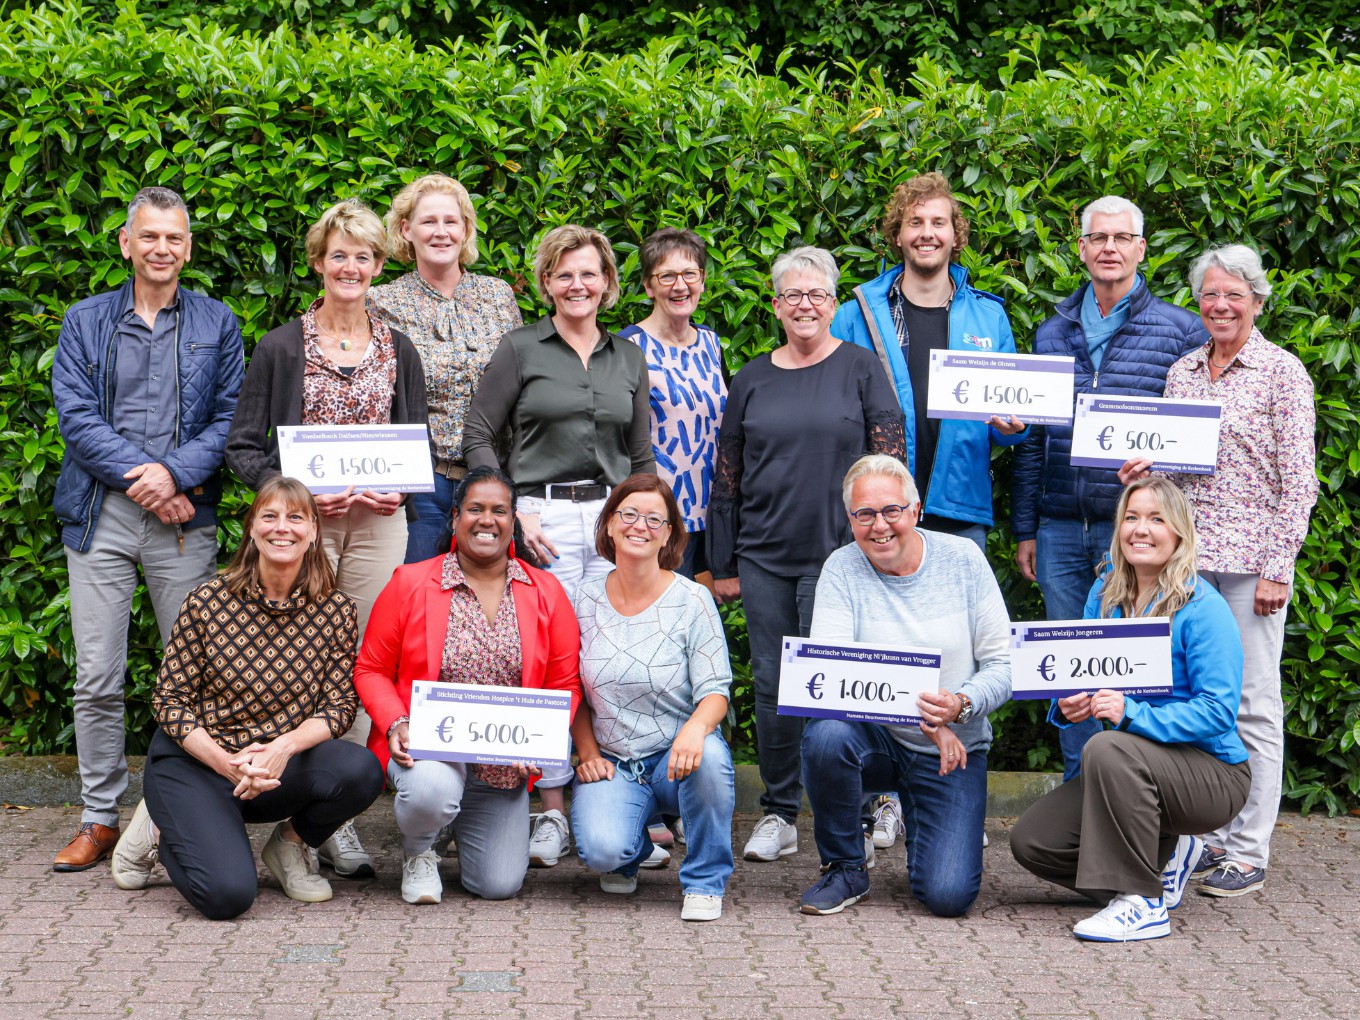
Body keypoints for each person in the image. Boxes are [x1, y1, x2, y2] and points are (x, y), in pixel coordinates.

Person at [225, 198, 429, 878]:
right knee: (295, 662)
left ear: (378, 266)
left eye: (364, 256)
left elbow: (415, 443)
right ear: (318, 262)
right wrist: (293, 498)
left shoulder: (399, 346)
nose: (351, 266)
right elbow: (244, 447)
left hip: (377, 528)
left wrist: (399, 486)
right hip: (298, 535)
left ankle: (328, 824)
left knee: (364, 666)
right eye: (338, 254)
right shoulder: (283, 346)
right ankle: (290, 802)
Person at [51, 186, 244, 872]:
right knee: (98, 677)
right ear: (127, 244)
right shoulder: (85, 320)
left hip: (183, 522)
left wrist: (175, 476)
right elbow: (74, 417)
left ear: (188, 249)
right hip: (102, 516)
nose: (163, 248)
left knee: (195, 678)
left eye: (175, 238)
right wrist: (150, 478)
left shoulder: (217, 322)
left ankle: (180, 818)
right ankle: (101, 817)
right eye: (150, 236)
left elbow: (229, 421)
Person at [1119, 244, 1316, 897]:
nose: (1221, 305)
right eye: (1210, 295)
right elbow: (1175, 471)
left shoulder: (1283, 373)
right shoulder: (1182, 372)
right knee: (1192, 700)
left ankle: (1248, 850)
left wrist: (1277, 566)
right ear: (1198, 303)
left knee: (1253, 705)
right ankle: (1203, 839)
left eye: (1234, 295)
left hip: (1250, 570)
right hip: (1187, 569)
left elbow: (1300, 483)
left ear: (1257, 302)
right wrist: (1142, 471)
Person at [462, 223, 655, 865]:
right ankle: (549, 806)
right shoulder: (519, 348)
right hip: (539, 517)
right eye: (565, 274)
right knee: (542, 656)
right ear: (547, 283)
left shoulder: (627, 356)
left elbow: (640, 453)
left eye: (589, 274)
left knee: (608, 652)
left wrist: (640, 522)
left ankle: (621, 795)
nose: (578, 285)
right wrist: (512, 510)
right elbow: (479, 432)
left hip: (609, 517)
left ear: (607, 284)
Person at [108, 477, 385, 919]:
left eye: (295, 517)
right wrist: (225, 762)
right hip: (200, 763)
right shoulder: (207, 601)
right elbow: (168, 701)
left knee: (361, 770)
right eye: (270, 516)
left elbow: (339, 708)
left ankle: (290, 847)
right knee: (227, 897)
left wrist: (282, 748)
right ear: (252, 528)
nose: (283, 528)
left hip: (276, 769)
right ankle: (162, 827)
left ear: (313, 530)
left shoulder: (336, 610)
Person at [708, 246, 906, 863]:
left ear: (832, 303)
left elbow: (889, 467)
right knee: (772, 686)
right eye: (792, 295)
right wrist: (724, 563)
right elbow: (728, 473)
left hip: (844, 559)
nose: (804, 305)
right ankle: (779, 811)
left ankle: (852, 813)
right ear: (774, 305)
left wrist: (887, 544)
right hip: (765, 554)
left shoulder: (862, 368)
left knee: (847, 686)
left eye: (816, 295)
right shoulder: (750, 377)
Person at [1011, 196, 1206, 781]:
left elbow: (1199, 438)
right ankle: (1079, 806)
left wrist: (1159, 466)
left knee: (1139, 674)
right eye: (1098, 238)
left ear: (1141, 249)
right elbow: (1031, 442)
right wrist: (1026, 528)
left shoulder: (1179, 331)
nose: (1110, 248)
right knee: (1072, 675)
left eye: (1122, 238)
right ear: (1082, 248)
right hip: (1062, 529)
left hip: (1139, 532)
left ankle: (1136, 797)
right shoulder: (1052, 332)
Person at [1010, 477, 1251, 941]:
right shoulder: (1105, 591)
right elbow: (1081, 676)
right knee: (1034, 842)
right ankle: (1163, 862)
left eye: (1157, 519)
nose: (1141, 529)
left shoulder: (1204, 608)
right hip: (1129, 765)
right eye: (1131, 518)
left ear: (1179, 533)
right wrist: (1069, 704)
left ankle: (1142, 903)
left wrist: (1131, 713)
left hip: (1212, 772)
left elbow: (1218, 713)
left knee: (1107, 746)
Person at [352, 466, 582, 904]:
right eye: (475, 509)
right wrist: (396, 721)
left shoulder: (547, 591)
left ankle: (451, 823)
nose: (486, 519)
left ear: (513, 521)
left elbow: (565, 683)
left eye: (499, 510)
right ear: (455, 517)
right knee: (432, 792)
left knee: (498, 885)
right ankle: (420, 849)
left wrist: (539, 743)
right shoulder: (411, 583)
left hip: (502, 764)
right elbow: (371, 669)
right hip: (427, 750)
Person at [796, 455, 1011, 917]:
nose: (880, 526)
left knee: (948, 896)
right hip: (876, 739)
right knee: (826, 733)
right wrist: (925, 720)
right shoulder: (841, 568)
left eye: (891, 511)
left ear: (915, 511)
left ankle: (920, 817)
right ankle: (846, 866)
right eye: (864, 514)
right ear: (850, 519)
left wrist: (961, 704)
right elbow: (833, 677)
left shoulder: (964, 560)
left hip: (954, 749)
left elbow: (1004, 663)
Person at [830, 171, 1026, 554]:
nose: (927, 233)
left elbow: (1009, 424)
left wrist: (1014, 428)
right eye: (914, 222)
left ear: (956, 236)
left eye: (938, 223)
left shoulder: (989, 317)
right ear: (898, 235)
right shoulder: (856, 316)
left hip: (959, 506)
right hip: (877, 510)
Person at [570, 475, 735, 921]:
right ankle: (634, 850)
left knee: (712, 762)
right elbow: (571, 690)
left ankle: (703, 881)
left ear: (667, 534)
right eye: (628, 514)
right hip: (613, 759)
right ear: (608, 525)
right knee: (604, 854)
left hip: (675, 756)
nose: (639, 525)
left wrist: (696, 731)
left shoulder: (692, 599)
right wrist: (586, 752)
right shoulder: (581, 599)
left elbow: (716, 691)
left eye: (653, 519)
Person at [368, 173, 524, 563]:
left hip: (493, 482)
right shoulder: (381, 302)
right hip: (424, 485)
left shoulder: (497, 296)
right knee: (423, 604)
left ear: (466, 229)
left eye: (451, 221)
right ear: (406, 229)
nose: (441, 232)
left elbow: (524, 388)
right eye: (428, 221)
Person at [618, 228, 727, 581]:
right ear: (649, 286)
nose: (680, 286)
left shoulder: (712, 343)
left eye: (689, 274)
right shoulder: (629, 347)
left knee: (705, 623)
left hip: (711, 518)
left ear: (702, 281)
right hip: (658, 519)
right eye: (667, 276)